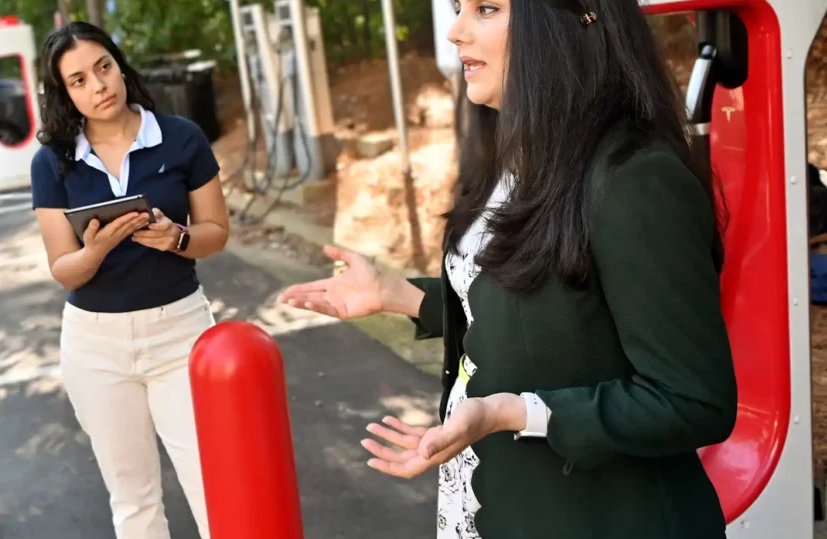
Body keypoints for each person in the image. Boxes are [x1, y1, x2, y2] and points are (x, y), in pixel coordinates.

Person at [279, 1, 738, 537]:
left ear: (569, 22)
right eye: (458, 9)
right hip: (498, 503)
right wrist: (394, 293)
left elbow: (692, 400)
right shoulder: (519, 157)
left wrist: (513, 412)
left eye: (487, 9)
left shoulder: (633, 179)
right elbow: (527, 302)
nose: (454, 32)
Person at [29, 21, 231, 539]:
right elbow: (62, 266)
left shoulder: (182, 137)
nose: (98, 86)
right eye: (78, 80)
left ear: (120, 66)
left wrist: (178, 239)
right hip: (95, 344)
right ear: (64, 93)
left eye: (103, 67)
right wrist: (93, 251)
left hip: (180, 332)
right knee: (133, 499)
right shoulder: (52, 161)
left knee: (214, 486)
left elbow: (217, 232)